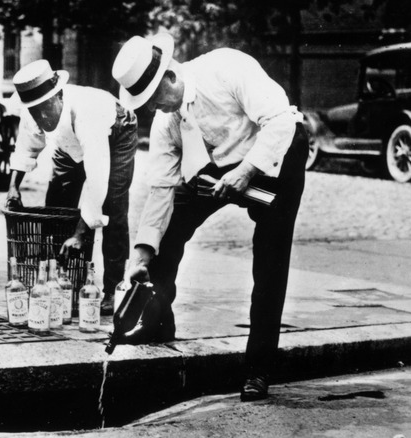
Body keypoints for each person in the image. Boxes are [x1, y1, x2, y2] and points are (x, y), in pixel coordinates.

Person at [111, 34, 308, 401]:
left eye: (155, 98)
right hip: (216, 168)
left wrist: (248, 170)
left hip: (278, 154)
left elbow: (281, 121)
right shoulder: (166, 120)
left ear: (170, 76)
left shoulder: (226, 67)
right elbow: (161, 188)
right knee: (167, 235)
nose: (156, 108)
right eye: (147, 103)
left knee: (269, 262)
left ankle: (258, 369)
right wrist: (141, 256)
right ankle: (157, 322)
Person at [6, 60, 138, 315]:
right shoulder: (32, 110)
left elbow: (97, 177)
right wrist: (13, 187)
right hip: (69, 146)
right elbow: (26, 147)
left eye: (45, 108)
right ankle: (57, 279)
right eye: (34, 111)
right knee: (57, 202)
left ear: (58, 96)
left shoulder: (87, 113)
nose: (42, 117)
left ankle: (112, 289)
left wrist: (80, 233)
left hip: (115, 133)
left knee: (112, 208)